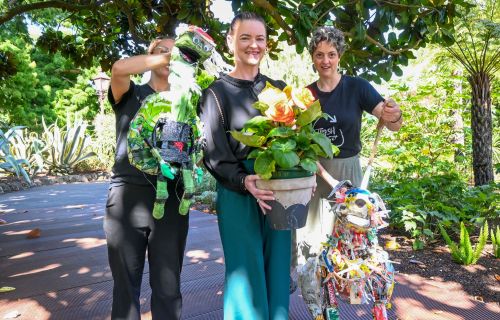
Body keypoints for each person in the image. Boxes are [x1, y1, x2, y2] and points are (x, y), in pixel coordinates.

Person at [198, 12, 291, 320]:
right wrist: (243, 180)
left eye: (260, 38)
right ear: (230, 42)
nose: (254, 45)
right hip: (237, 190)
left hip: (279, 189)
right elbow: (214, 153)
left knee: (278, 266)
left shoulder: (278, 89)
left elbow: (296, 141)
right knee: (245, 270)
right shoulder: (215, 93)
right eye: (245, 38)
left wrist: (303, 172)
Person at [294, 26, 403, 266]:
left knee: (350, 242)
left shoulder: (357, 87)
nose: (325, 60)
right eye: (319, 54)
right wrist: (321, 176)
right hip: (315, 175)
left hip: (349, 174)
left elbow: (392, 124)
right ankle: (315, 300)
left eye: (331, 54)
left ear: (339, 56)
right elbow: (298, 145)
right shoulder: (305, 96)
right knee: (313, 246)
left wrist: (395, 114)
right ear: (312, 57)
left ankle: (342, 296)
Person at [104, 37, 189, 319]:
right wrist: (169, 58)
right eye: (162, 51)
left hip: (171, 200)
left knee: (168, 288)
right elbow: (119, 69)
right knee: (126, 288)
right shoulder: (131, 93)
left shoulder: (185, 102)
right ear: (150, 56)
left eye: (175, 53)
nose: (168, 57)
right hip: (127, 197)